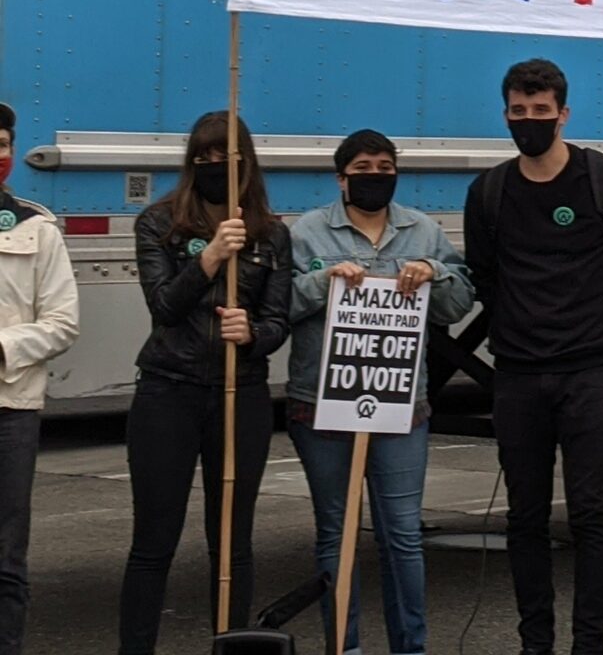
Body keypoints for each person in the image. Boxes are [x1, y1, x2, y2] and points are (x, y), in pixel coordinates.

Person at [464, 58, 603, 655]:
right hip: (517, 375)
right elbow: (486, 279)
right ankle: (534, 642)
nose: (529, 122)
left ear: (563, 114)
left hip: (590, 373)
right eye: (519, 112)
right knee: (525, 519)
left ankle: (589, 643)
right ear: (506, 114)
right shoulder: (488, 191)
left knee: (592, 516)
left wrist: (595, 335)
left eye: (541, 112)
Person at [288, 129, 475, 655]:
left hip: (400, 408)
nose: (376, 176)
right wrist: (323, 280)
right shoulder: (306, 234)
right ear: (341, 177)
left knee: (403, 538)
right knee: (335, 535)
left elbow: (459, 303)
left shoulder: (421, 230)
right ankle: (343, 647)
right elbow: (278, 304)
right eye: (364, 168)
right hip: (322, 404)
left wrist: (433, 272)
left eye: (385, 167)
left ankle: (409, 648)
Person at [118, 112, 293, 653]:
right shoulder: (158, 223)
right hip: (168, 390)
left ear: (247, 163)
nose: (216, 166)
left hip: (241, 397)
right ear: (193, 163)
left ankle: (230, 644)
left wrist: (253, 333)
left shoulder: (272, 234)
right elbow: (165, 307)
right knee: (153, 541)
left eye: (227, 157)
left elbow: (279, 321)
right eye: (205, 157)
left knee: (233, 543)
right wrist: (212, 256)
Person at [0, 103, 80, 655]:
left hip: (11, 409)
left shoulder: (35, 225)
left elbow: (61, 323)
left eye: (5, 143)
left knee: (5, 560)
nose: (1, 154)